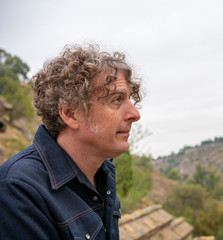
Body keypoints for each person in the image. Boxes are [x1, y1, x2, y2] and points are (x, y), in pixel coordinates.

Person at [0, 44, 142, 239]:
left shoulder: (103, 175)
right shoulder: (18, 190)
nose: (135, 114)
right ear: (70, 114)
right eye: (117, 99)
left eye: (130, 100)